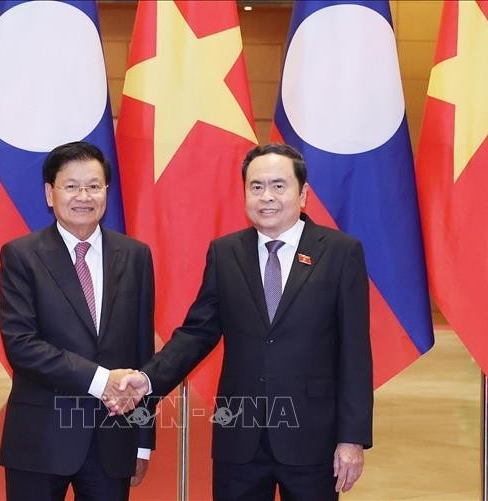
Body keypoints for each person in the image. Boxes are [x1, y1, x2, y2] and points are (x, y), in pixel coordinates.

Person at [113, 143, 373, 500]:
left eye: (278, 186)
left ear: (303, 194)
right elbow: (197, 332)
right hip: (239, 435)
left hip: (313, 437)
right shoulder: (225, 252)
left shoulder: (340, 252)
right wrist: (147, 379)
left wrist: (351, 438)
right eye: (256, 186)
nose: (266, 196)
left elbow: (355, 353)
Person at [0, 141, 155, 501]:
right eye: (71, 186)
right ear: (50, 193)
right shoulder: (21, 256)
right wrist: (102, 381)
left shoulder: (136, 256)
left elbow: (142, 350)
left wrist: (143, 442)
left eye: (94, 186)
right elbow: (22, 346)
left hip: (113, 437)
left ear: (106, 192)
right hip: (40, 438)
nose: (84, 196)